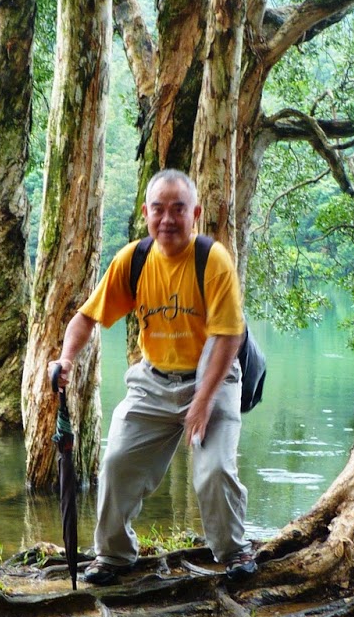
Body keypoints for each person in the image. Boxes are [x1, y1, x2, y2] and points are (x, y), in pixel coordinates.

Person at [50, 169, 257, 586]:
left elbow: (230, 336)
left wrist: (203, 401)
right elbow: (86, 318)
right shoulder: (135, 260)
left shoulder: (212, 260)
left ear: (195, 214)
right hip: (153, 379)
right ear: (145, 213)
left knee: (214, 470)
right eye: (158, 209)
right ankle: (113, 555)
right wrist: (66, 358)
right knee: (116, 462)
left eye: (178, 209)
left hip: (213, 376)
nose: (167, 219)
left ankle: (234, 551)